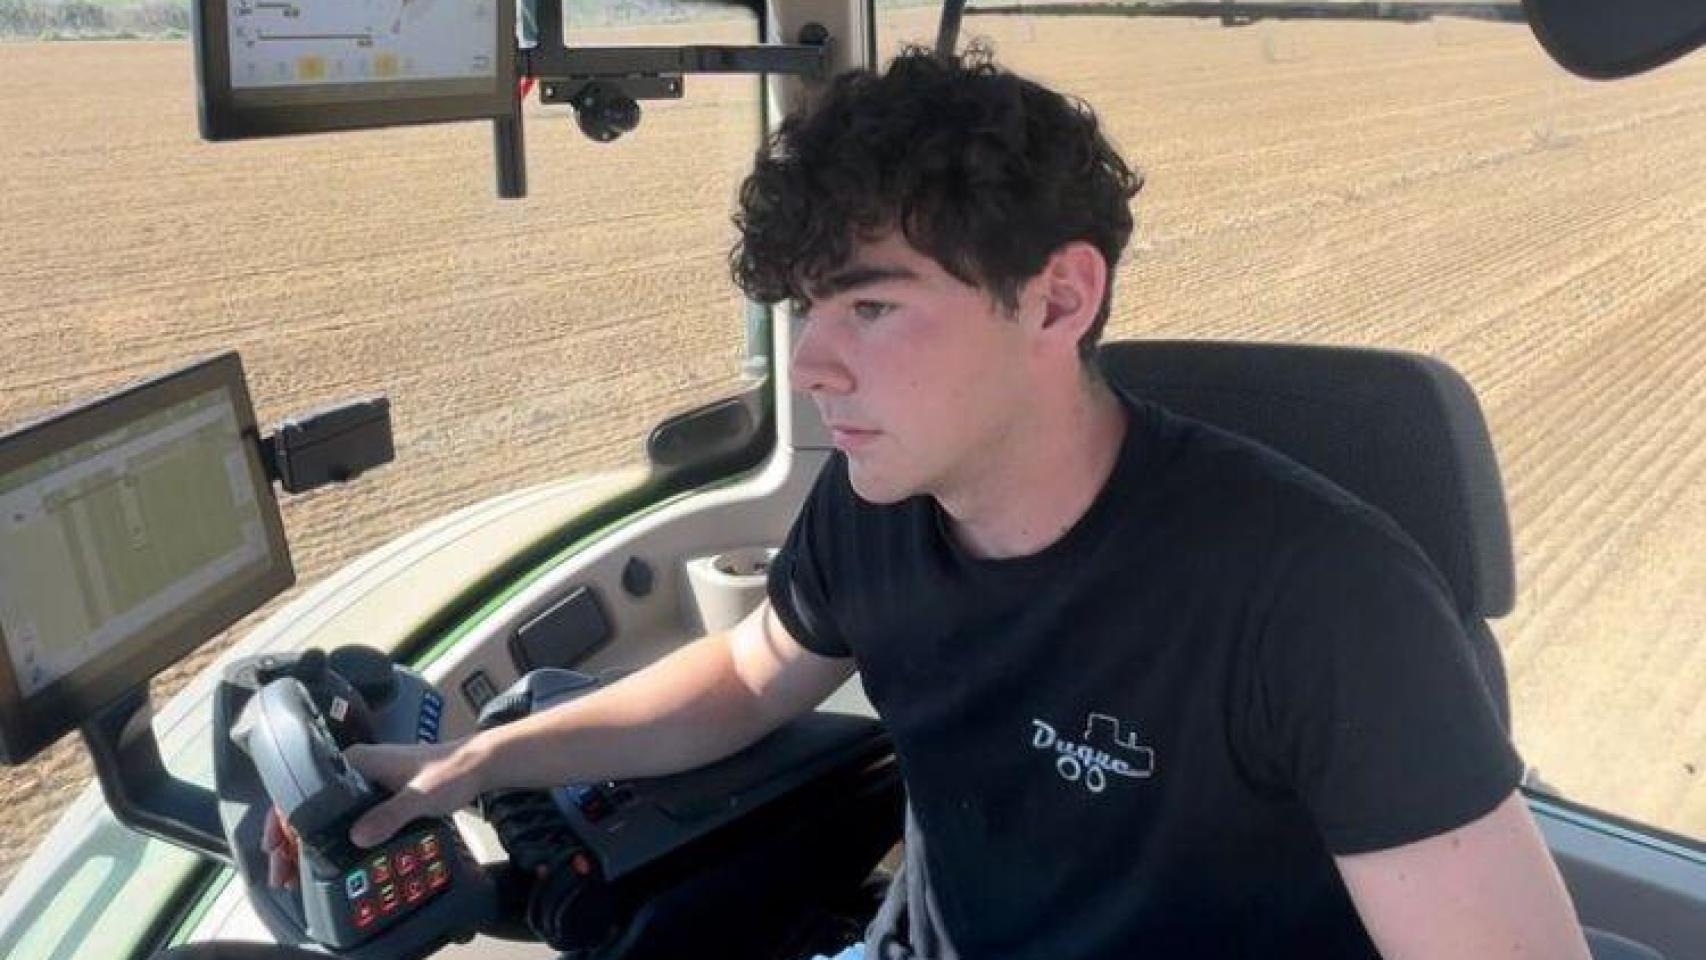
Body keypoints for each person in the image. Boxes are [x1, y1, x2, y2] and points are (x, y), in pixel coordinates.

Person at [269, 45, 1592, 959]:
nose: (812, 363)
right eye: (801, 310)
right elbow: (745, 675)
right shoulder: (875, 503)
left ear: (1059, 298)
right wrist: (483, 762)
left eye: (871, 304)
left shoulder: (1321, 606)